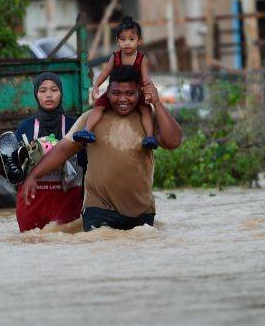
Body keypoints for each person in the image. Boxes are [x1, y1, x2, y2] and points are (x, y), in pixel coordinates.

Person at [23, 64, 183, 231]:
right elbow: (62, 150)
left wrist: (156, 103)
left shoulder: (148, 118)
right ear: (107, 93)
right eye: (116, 93)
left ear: (139, 93)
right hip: (99, 208)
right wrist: (33, 175)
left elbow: (173, 142)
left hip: (142, 211)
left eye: (129, 93)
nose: (123, 99)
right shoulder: (91, 119)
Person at [12, 72, 85, 232]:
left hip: (67, 204)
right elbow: (15, 171)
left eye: (54, 90)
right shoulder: (25, 128)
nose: (49, 95)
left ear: (61, 93)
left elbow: (87, 167)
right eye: (43, 90)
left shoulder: (75, 125)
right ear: (36, 95)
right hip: (32, 206)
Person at [73, 16, 158, 150]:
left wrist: (147, 93)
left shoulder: (142, 59)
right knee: (98, 106)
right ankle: (87, 130)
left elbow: (146, 79)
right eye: (123, 40)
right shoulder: (116, 57)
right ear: (118, 42)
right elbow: (105, 73)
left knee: (145, 111)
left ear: (139, 41)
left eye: (131, 39)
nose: (127, 43)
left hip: (136, 91)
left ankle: (149, 136)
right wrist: (96, 86)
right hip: (115, 92)